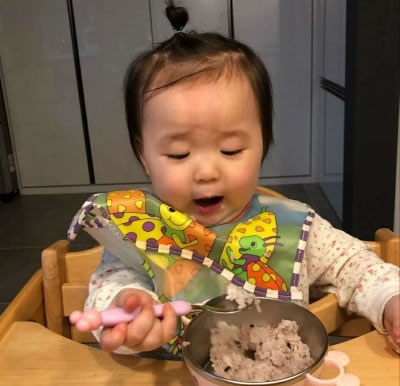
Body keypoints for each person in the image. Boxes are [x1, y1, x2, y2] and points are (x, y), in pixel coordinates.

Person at [68, 1, 400, 357]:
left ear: (262, 145)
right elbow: (108, 289)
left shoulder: (294, 227)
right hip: (169, 380)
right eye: (179, 154)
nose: (207, 172)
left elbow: (356, 266)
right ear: (143, 156)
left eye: (230, 150)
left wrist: (390, 300)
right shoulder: (138, 232)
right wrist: (128, 309)